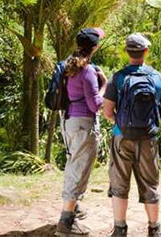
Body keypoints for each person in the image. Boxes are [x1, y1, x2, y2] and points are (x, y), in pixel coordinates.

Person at [103, 33, 161, 237]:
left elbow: (107, 112)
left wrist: (122, 123)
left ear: (127, 52)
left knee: (119, 184)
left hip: (122, 137)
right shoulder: (159, 78)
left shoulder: (118, 77)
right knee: (150, 185)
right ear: (146, 52)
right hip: (148, 140)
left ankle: (120, 229)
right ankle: (154, 228)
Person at [56, 28, 108, 236]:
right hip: (83, 124)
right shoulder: (87, 71)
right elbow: (95, 105)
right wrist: (104, 84)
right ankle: (66, 222)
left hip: (69, 121)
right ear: (95, 47)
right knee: (79, 168)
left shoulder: (69, 64)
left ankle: (73, 206)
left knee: (73, 164)